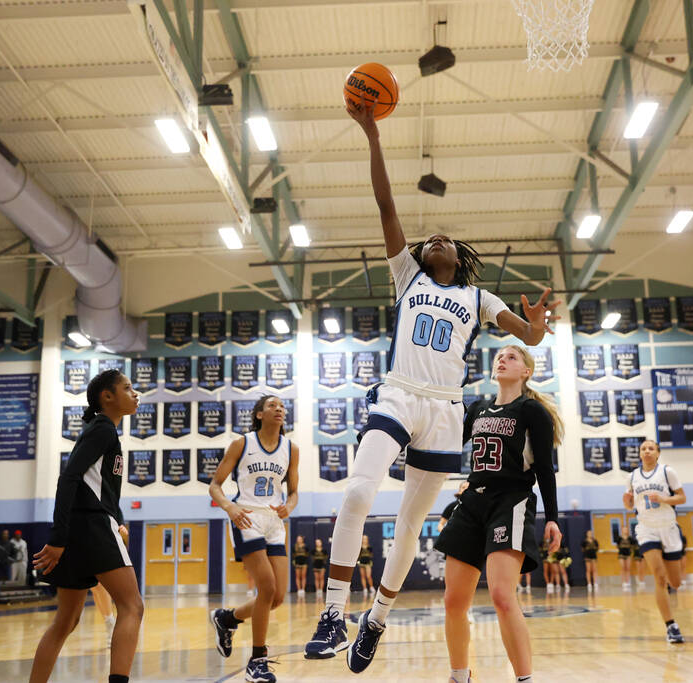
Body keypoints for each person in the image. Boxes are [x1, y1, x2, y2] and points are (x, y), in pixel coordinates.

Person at [304, 91, 558, 674]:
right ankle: (334, 613)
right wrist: (372, 136)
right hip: (397, 394)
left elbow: (529, 336)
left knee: (410, 526)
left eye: (447, 238)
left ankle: (377, 619)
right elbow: (386, 202)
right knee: (357, 492)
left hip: (445, 410)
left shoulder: (478, 297)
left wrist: (537, 328)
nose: (436, 238)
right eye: (430, 238)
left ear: (461, 258)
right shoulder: (406, 276)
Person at [435, 344, 562, 683]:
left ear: (526, 371)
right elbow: (447, 444)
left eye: (512, 357)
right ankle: (459, 675)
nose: (502, 360)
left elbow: (546, 469)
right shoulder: (477, 408)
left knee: (503, 596)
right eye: (500, 357)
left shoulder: (531, 410)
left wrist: (553, 517)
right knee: (453, 600)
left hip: (511, 500)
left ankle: (524, 679)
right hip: (472, 501)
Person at [29, 369, 143, 683]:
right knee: (132, 606)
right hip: (91, 526)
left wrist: (118, 520)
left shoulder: (101, 430)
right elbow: (69, 478)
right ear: (107, 396)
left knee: (65, 621)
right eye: (128, 388)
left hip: (84, 528)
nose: (136, 394)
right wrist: (57, 537)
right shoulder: (103, 429)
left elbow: (99, 488)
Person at [209, 395, 299, 683]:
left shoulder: (291, 449)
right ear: (259, 414)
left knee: (277, 597)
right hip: (246, 516)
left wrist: (291, 506)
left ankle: (227, 618)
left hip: (274, 520)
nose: (279, 410)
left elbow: (294, 491)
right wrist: (230, 507)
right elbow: (215, 486)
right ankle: (257, 660)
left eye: (282, 407)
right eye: (272, 406)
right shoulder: (242, 444)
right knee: (267, 587)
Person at [623, 439, 687, 644]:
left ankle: (668, 591)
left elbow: (682, 498)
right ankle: (671, 626)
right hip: (646, 528)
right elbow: (629, 505)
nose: (647, 451)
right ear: (640, 454)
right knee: (659, 577)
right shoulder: (632, 476)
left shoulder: (668, 472)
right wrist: (627, 501)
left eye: (651, 448)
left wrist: (663, 499)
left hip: (668, 527)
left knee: (674, 582)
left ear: (658, 453)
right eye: (643, 449)